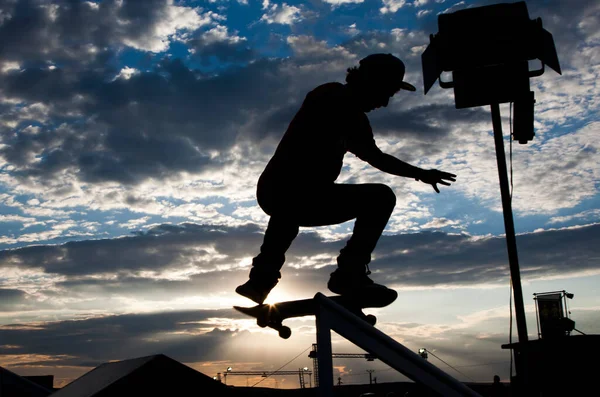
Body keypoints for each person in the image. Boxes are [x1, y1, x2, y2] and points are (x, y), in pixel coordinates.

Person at [236, 53, 456, 304]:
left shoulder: (355, 120)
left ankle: (264, 282)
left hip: (307, 197)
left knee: (373, 197)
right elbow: (369, 152)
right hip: (280, 189)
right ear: (371, 82)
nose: (384, 103)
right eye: (386, 93)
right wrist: (420, 173)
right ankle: (341, 273)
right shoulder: (329, 96)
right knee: (372, 197)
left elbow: (377, 158)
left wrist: (420, 174)